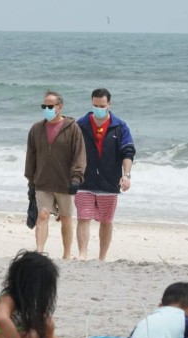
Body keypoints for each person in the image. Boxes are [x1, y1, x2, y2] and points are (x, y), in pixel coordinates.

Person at [24, 90, 86, 259]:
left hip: (65, 183)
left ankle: (66, 254)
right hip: (43, 182)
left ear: (60, 106)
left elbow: (79, 155)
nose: (46, 109)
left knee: (66, 219)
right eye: (44, 106)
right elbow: (31, 156)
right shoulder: (36, 129)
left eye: (50, 106)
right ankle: (39, 251)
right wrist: (31, 181)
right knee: (42, 216)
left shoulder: (73, 128)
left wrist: (76, 177)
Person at [75, 88, 135, 261]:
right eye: (95, 105)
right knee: (83, 217)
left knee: (106, 221)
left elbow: (128, 152)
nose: (98, 108)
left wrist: (126, 176)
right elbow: (72, 152)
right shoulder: (81, 124)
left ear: (109, 103)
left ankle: (102, 257)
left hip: (109, 180)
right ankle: (82, 254)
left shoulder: (119, 126)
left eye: (102, 105)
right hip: (85, 180)